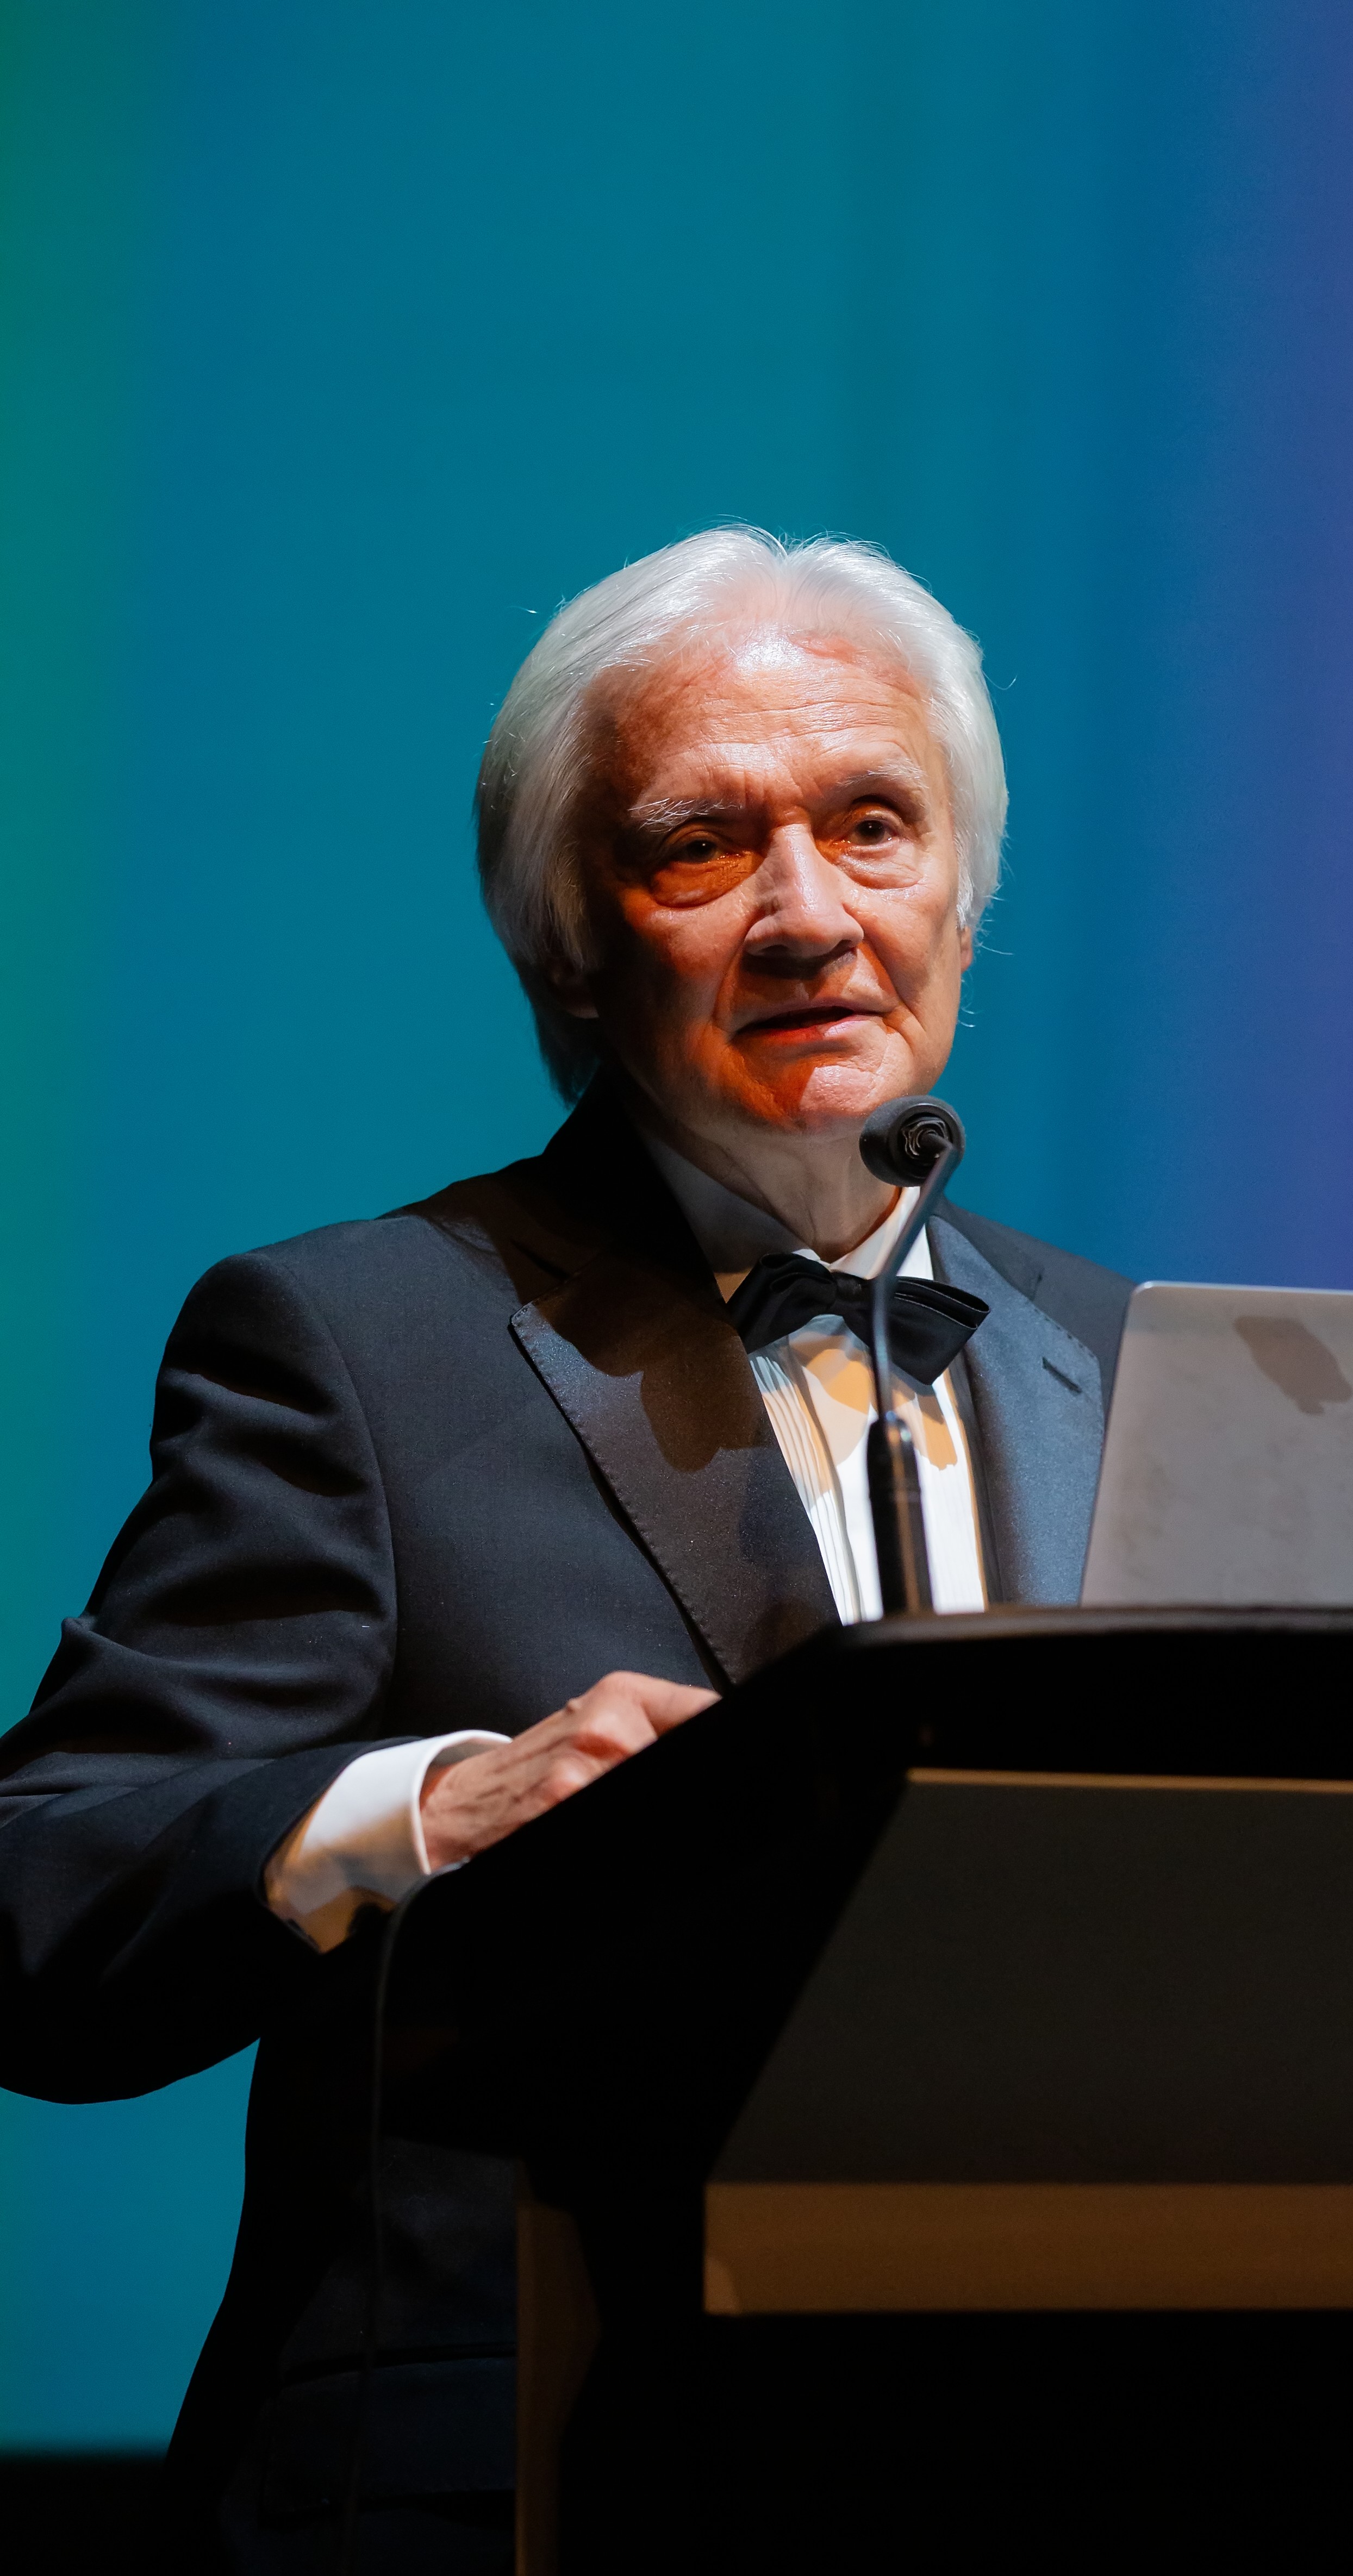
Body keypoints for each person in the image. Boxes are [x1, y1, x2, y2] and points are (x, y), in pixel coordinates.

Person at [0, 528, 1132, 2570]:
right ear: (567, 953)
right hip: (522, 2474)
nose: (811, 914)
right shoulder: (353, 1339)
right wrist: (431, 1809)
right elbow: (42, 1892)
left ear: (964, 897)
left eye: (874, 825)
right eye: (705, 846)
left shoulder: (1126, 1360)